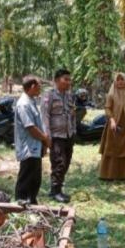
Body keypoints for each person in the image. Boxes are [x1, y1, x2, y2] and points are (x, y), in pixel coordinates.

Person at [41, 69, 75, 203]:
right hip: (56, 135)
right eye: (65, 79)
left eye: (69, 79)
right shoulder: (49, 95)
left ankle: (58, 188)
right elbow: (45, 116)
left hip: (68, 135)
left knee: (66, 163)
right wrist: (47, 136)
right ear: (56, 80)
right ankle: (55, 191)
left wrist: (74, 131)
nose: (68, 82)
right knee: (58, 163)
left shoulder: (69, 95)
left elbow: (72, 114)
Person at [14, 75, 50, 204]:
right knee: (26, 177)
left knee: (35, 178)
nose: (40, 88)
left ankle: (32, 202)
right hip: (28, 147)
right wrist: (45, 139)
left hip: (35, 146)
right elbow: (30, 127)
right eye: (39, 86)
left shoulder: (32, 101)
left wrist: (44, 143)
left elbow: (38, 124)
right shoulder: (23, 104)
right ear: (33, 86)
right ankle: (20, 204)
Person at [99, 72, 125, 181]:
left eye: (122, 79)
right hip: (113, 127)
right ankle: (109, 174)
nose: (120, 82)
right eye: (118, 80)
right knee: (112, 149)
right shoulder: (111, 94)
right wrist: (112, 120)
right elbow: (107, 108)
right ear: (115, 81)